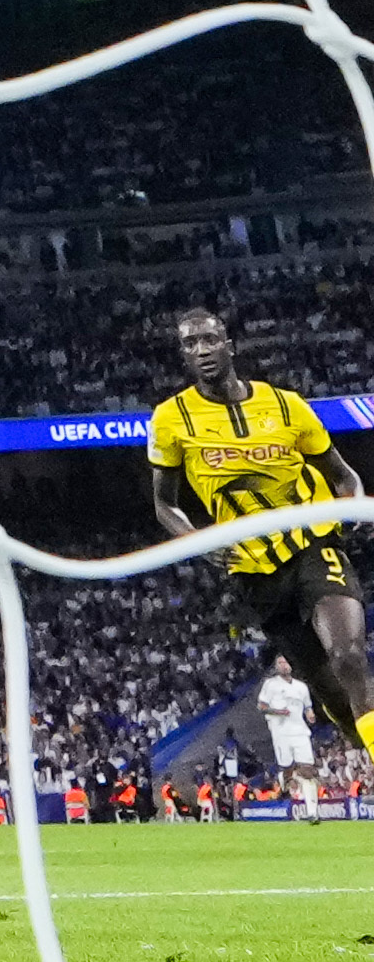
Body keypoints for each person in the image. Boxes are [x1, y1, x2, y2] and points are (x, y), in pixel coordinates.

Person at [147, 308, 374, 761]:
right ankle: (362, 744)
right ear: (184, 357)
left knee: (349, 656)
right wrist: (198, 540)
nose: (202, 350)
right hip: (254, 570)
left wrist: (352, 507)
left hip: (312, 544)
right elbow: (164, 503)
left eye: (209, 340)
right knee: (326, 687)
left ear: (229, 345)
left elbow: (342, 474)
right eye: (191, 345)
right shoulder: (171, 419)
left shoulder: (286, 404)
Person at [258, 654, 320, 812]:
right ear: (276, 667)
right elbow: (261, 706)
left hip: (300, 730)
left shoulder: (301, 687)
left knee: (308, 770)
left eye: (286, 662)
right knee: (287, 768)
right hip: (281, 733)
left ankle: (312, 812)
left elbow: (307, 706)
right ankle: (285, 776)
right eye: (280, 662)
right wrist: (277, 711)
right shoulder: (270, 684)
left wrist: (309, 714)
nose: (284, 665)